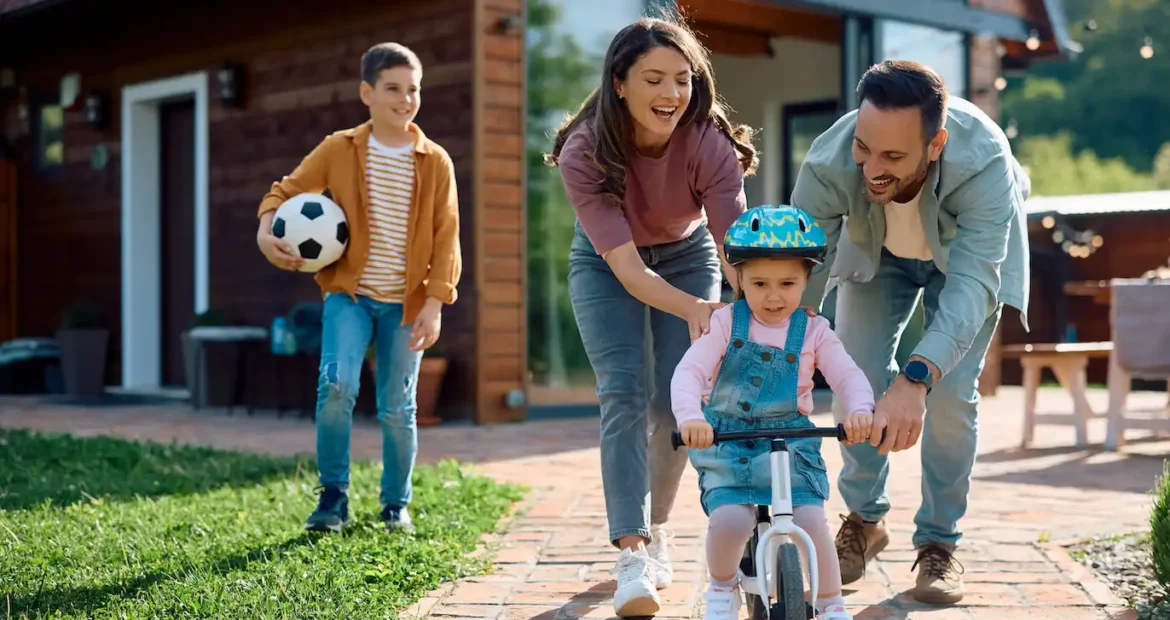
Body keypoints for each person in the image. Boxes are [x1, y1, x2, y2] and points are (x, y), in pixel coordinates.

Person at [790, 59, 1031, 604]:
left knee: (947, 397)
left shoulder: (984, 162)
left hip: (967, 265)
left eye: (893, 157)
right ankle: (864, 521)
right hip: (880, 257)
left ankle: (939, 544)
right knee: (858, 376)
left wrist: (916, 380)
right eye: (864, 148)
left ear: (936, 144)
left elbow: (972, 284)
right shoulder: (832, 159)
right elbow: (802, 264)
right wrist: (775, 347)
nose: (871, 168)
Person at [544, 14, 755, 617]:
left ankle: (658, 526)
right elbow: (630, 273)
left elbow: (731, 246)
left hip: (689, 254)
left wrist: (752, 299)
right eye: (654, 79)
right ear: (619, 83)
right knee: (623, 394)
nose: (671, 94)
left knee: (674, 402)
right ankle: (632, 553)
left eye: (683, 80)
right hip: (608, 263)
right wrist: (697, 310)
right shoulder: (585, 149)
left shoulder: (708, 142)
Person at [255, 42, 461, 534]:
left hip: (406, 306)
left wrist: (435, 302)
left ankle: (395, 505)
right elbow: (284, 191)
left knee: (397, 407)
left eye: (413, 89)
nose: (405, 99)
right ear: (366, 92)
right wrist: (267, 231)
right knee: (336, 386)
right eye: (393, 88)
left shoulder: (435, 161)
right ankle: (332, 497)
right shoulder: (339, 149)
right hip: (349, 297)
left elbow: (446, 235)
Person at [671, 205, 876, 620]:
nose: (774, 295)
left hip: (790, 442)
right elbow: (689, 371)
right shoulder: (727, 323)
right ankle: (722, 585)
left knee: (812, 520)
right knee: (730, 519)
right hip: (727, 441)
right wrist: (690, 417)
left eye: (787, 283)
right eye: (760, 283)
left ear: (806, 280)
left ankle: (830, 601)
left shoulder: (815, 330)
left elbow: (848, 376)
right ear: (739, 278)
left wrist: (859, 409)